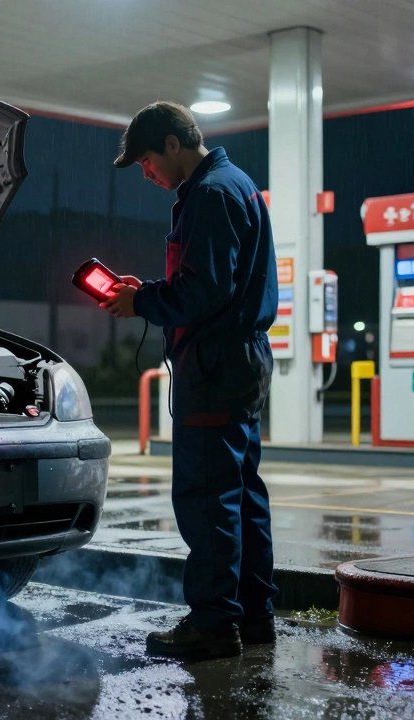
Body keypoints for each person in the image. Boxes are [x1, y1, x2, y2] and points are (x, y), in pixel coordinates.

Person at [102, 101, 278, 659]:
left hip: (215, 364)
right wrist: (150, 288)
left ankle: (212, 624)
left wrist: (143, 301)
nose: (148, 173)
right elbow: (211, 280)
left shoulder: (209, 194)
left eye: (148, 162)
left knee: (207, 499)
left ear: (173, 145)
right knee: (242, 494)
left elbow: (205, 292)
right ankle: (253, 616)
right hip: (240, 360)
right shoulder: (235, 184)